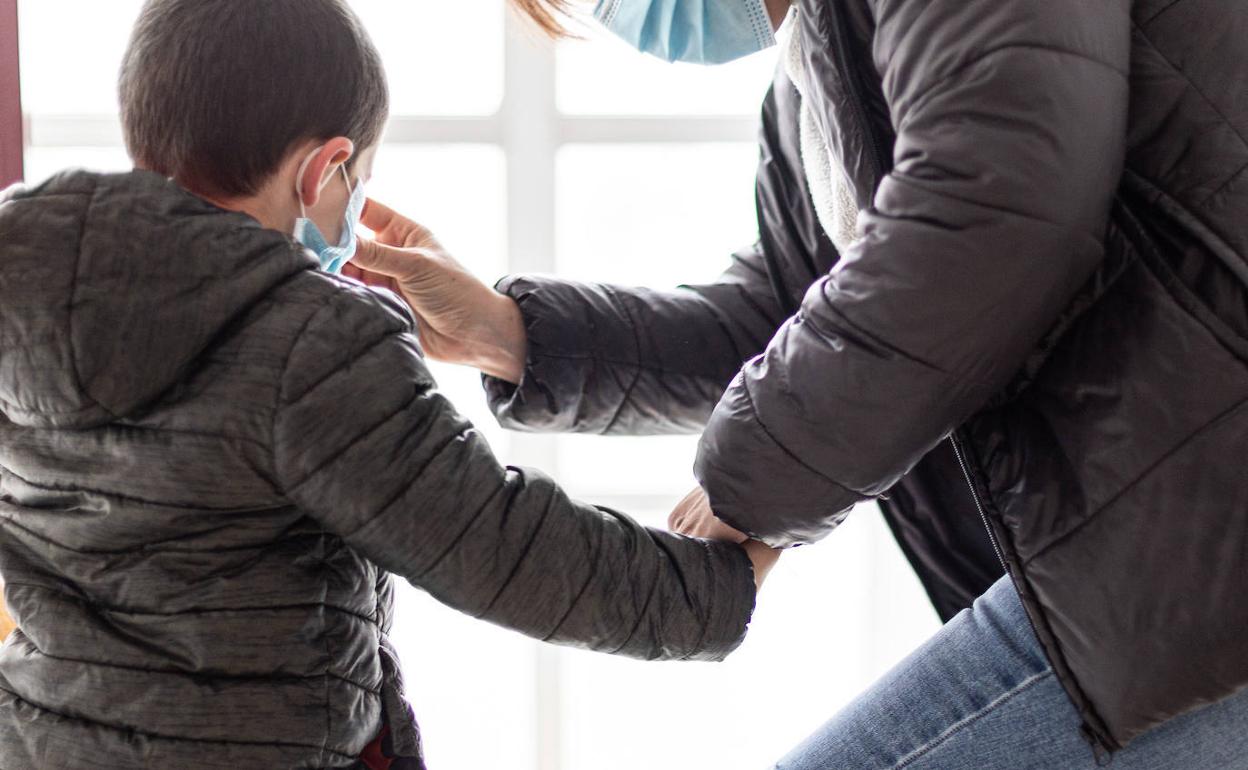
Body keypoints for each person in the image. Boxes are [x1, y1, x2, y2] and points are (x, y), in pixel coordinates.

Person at [350, 0, 1248, 766]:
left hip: (1190, 547)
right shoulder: (815, 82)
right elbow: (785, 317)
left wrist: (749, 485)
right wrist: (508, 334)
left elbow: (996, 214)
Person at [0, 1, 780, 768]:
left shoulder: (18, 283)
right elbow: (502, 548)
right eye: (359, 184)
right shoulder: (311, 342)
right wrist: (713, 586)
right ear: (321, 170)